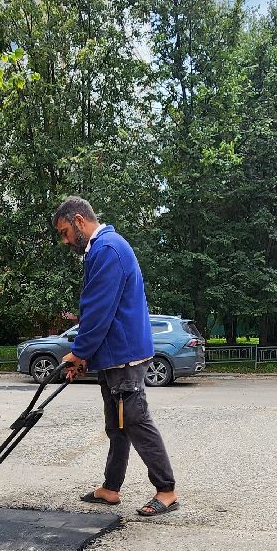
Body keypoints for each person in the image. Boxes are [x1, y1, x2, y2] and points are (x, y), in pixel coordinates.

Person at [51, 196, 179, 518]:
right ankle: (111, 488)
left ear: (79, 221)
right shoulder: (101, 249)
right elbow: (97, 310)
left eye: (66, 232)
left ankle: (166, 490)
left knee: (135, 420)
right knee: (117, 425)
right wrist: (84, 357)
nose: (65, 241)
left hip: (124, 356)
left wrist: (79, 353)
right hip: (112, 357)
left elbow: (98, 311)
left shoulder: (107, 249)